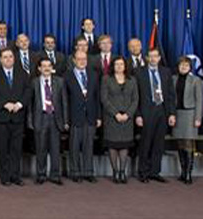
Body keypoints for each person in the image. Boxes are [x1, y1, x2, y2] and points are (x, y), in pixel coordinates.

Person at [0, 48, 32, 186]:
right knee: (2, 149)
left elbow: (28, 91)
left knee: (16, 149)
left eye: (10, 57)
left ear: (14, 58)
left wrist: (19, 104)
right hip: (2, 117)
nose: (8, 59)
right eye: (5, 57)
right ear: (0, 59)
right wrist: (5, 104)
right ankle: (4, 176)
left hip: (18, 116)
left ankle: (15, 176)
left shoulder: (23, 73)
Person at [135, 48, 176, 183]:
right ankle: (143, 172)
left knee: (159, 143)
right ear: (147, 58)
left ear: (159, 58)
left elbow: (170, 95)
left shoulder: (166, 72)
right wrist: (138, 115)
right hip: (147, 111)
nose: (153, 59)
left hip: (162, 111)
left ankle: (155, 172)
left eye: (155, 56)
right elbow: (136, 96)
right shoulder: (139, 72)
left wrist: (171, 114)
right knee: (146, 142)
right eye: (150, 56)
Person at [29, 57, 68, 185]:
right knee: (41, 148)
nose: (46, 68)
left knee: (55, 149)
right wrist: (30, 121)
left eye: (49, 66)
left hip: (55, 118)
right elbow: (30, 104)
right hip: (40, 118)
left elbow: (64, 103)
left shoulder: (60, 82)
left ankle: (55, 175)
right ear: (39, 68)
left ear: (52, 68)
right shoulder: (34, 82)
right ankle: (41, 174)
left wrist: (65, 121)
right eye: (43, 66)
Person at [64, 50, 101, 183]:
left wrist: (98, 116)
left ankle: (88, 172)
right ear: (73, 60)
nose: (82, 61)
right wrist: (66, 119)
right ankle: (75, 172)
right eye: (79, 59)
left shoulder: (93, 75)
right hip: (75, 116)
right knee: (74, 146)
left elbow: (97, 97)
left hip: (90, 115)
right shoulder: (67, 76)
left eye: (84, 59)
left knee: (89, 145)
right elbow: (65, 100)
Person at [100, 56, 138, 184]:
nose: (119, 67)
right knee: (113, 145)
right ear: (113, 66)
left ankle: (123, 171)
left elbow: (135, 99)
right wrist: (115, 113)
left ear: (125, 66)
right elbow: (104, 99)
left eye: (121, 64)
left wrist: (128, 114)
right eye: (116, 64)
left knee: (124, 145)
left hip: (127, 118)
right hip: (111, 117)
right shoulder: (106, 79)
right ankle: (115, 172)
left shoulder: (132, 80)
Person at [172, 56, 202, 184]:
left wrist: (198, 118)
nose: (183, 67)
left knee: (188, 144)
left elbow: (200, 100)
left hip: (190, 114)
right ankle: (183, 172)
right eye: (181, 65)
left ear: (190, 67)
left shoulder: (196, 80)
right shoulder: (173, 79)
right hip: (177, 114)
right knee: (179, 144)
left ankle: (189, 174)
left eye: (186, 65)